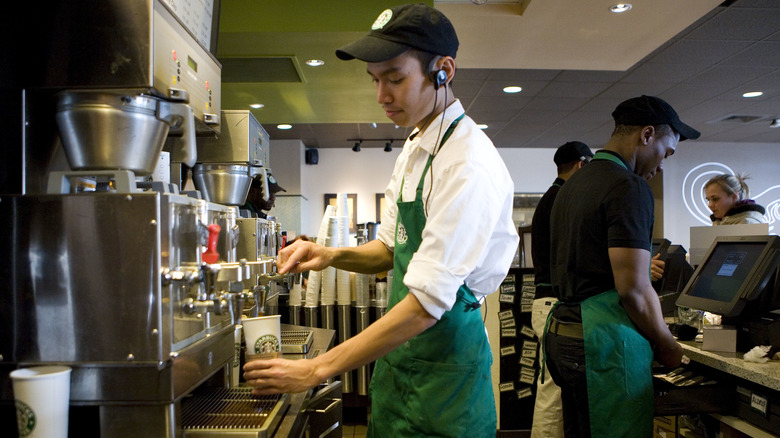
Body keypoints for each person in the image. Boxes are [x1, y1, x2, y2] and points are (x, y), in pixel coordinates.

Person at [243, 4, 518, 437]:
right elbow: (390, 249)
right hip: (399, 366)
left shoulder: (468, 164)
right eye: (375, 80)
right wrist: (329, 253)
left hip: (445, 376)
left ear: (443, 70)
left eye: (395, 78)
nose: (381, 96)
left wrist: (316, 370)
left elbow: (427, 304)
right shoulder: (415, 147)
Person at [545, 95, 698, 437]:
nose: (662, 164)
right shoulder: (628, 187)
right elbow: (634, 289)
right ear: (646, 136)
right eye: (666, 152)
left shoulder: (572, 185)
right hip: (601, 343)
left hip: (562, 333)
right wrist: (667, 344)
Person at [530, 140, 593, 438]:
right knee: (553, 394)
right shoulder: (563, 200)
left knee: (554, 391)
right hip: (553, 304)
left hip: (546, 303)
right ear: (582, 164)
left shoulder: (552, 198)